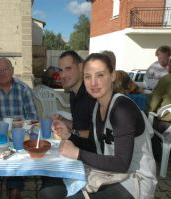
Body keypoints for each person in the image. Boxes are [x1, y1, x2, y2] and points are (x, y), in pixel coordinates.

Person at [58, 53, 157, 199]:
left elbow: (122, 163)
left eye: (100, 75)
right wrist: (70, 136)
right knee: (53, 189)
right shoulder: (97, 108)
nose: (93, 83)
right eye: (88, 77)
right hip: (109, 174)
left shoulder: (122, 109)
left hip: (134, 182)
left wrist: (77, 153)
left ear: (112, 76)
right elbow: (94, 144)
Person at [39, 50, 96, 199]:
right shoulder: (74, 94)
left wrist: (71, 134)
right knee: (45, 166)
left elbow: (94, 136)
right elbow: (80, 126)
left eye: (68, 68)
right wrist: (63, 122)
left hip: (91, 159)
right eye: (61, 70)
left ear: (81, 67)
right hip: (80, 148)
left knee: (47, 183)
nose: (63, 75)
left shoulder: (91, 95)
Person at [0, 57, 38, 199]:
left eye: (5, 69)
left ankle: (15, 187)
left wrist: (16, 124)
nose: (2, 73)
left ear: (12, 70)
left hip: (18, 134)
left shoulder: (24, 89)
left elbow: (32, 116)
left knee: (18, 152)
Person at [148, 58, 171, 162]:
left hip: (167, 125)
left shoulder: (166, 79)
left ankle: (159, 157)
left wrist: (149, 110)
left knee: (147, 123)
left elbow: (153, 102)